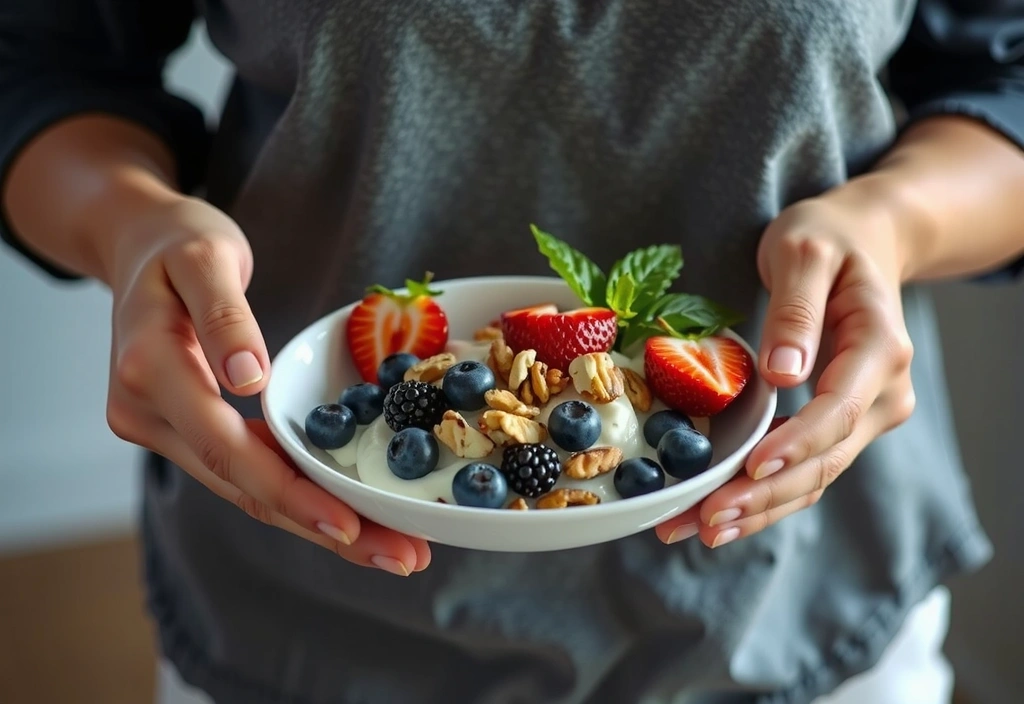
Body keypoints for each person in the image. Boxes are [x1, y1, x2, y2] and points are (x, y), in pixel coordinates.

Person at [2, 1, 1023, 702]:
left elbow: (1000, 72)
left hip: (789, 570)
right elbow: (43, 60)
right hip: (312, 598)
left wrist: (894, 225)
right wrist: (131, 229)